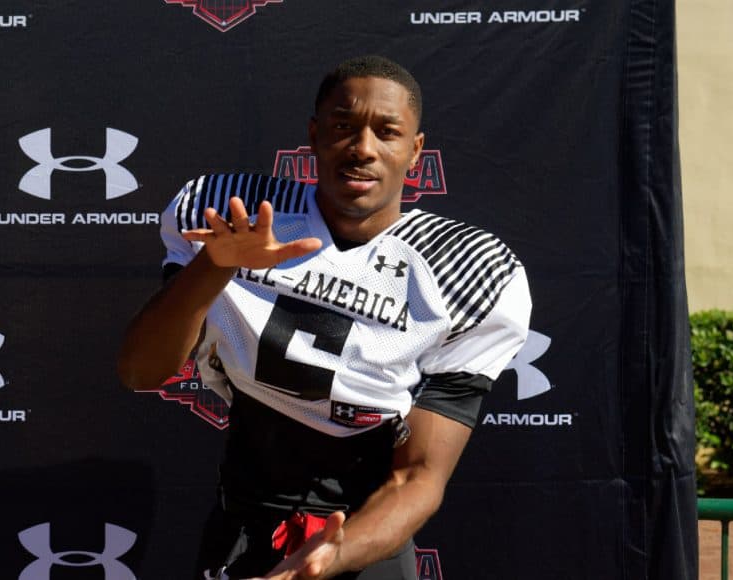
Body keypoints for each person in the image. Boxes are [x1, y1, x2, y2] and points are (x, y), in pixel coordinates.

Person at [118, 55, 531, 579]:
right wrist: (215, 265)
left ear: (415, 151)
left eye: (387, 132)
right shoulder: (238, 216)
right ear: (313, 136)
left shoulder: (465, 270)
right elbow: (140, 371)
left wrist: (329, 556)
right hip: (242, 528)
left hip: (363, 542)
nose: (362, 148)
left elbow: (419, 478)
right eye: (343, 127)